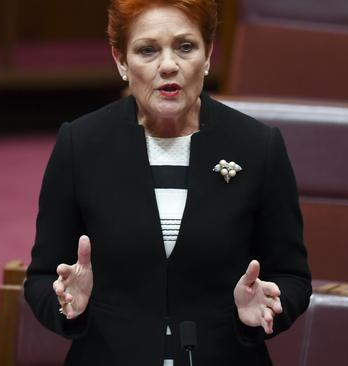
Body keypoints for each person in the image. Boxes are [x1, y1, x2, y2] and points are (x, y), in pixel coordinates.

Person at [24, 0, 311, 365]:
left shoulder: (258, 147)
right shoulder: (80, 145)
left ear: (208, 56)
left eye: (185, 47)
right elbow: (41, 278)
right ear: (121, 61)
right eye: (148, 50)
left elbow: (292, 277)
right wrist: (67, 304)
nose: (169, 65)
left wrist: (266, 307)